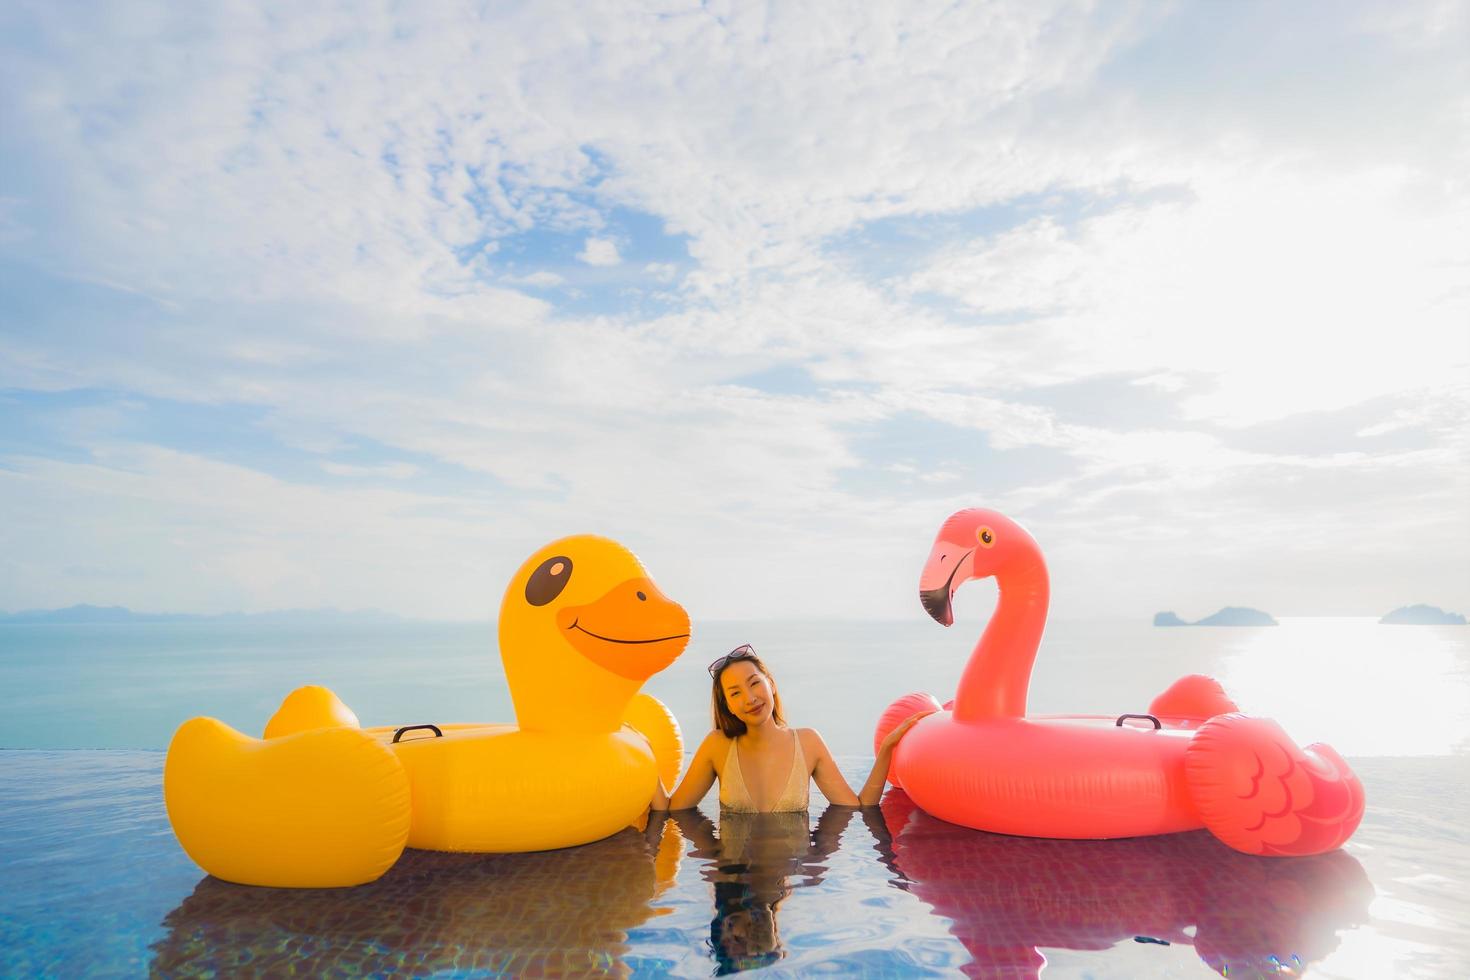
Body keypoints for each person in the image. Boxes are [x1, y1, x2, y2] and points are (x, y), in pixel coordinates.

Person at [652, 643, 929, 812]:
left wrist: (887, 748)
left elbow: (858, 807)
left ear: (770, 683)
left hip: (789, 871)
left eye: (754, 683)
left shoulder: (808, 743)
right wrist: (644, 755)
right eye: (735, 693)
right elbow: (671, 810)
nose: (749, 699)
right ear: (728, 707)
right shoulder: (718, 745)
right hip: (732, 877)